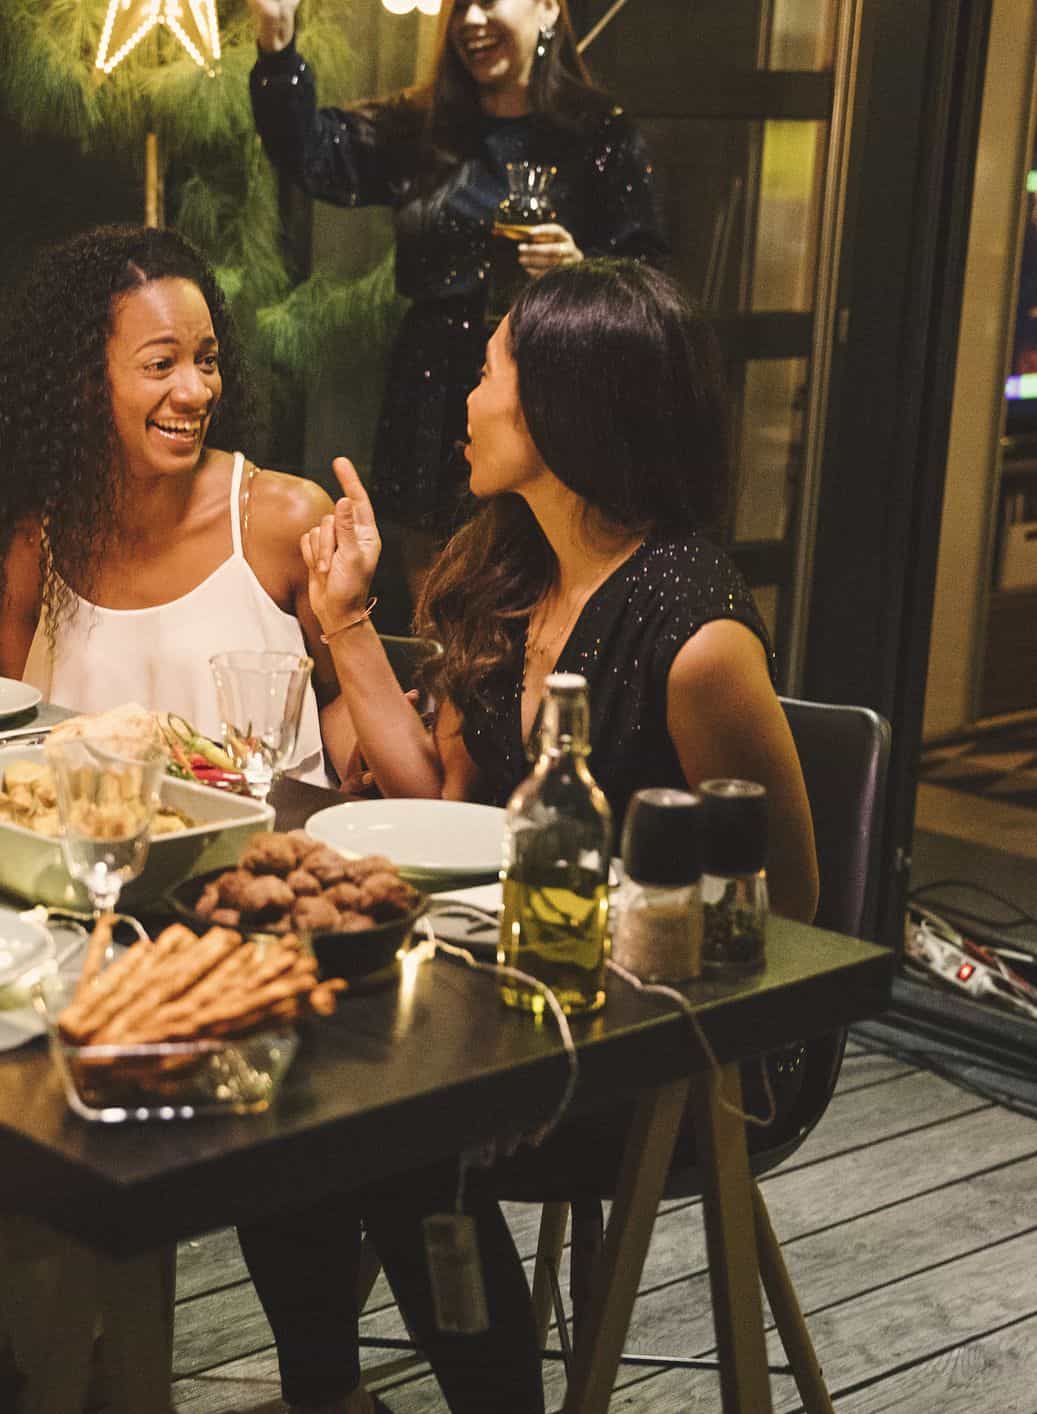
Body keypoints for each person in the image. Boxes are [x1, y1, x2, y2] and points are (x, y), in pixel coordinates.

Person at [239, 259, 819, 1414]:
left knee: (398, 1130)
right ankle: (325, 1394)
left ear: (564, 402)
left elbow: (788, 917)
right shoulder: (510, 564)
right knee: (276, 1063)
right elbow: (446, 805)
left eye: (491, 367)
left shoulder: (691, 634)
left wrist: (561, 985)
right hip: (499, 987)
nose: (465, 393)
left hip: (685, 1036)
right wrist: (342, 619)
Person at [248, 0, 669, 604]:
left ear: (548, 8)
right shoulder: (424, 129)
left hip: (549, 396)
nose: (470, 18)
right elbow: (310, 154)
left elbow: (652, 283)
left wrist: (584, 269)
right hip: (432, 391)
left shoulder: (598, 133)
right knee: (438, 606)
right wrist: (277, 39)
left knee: (544, 593)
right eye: (459, 3)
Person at [0, 224, 335, 778]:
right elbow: (23, 743)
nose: (195, 391)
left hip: (259, 852)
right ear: (85, 380)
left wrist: (361, 768)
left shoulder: (285, 521)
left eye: (206, 360)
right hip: (85, 854)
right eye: (161, 365)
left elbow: (341, 702)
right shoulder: (31, 546)